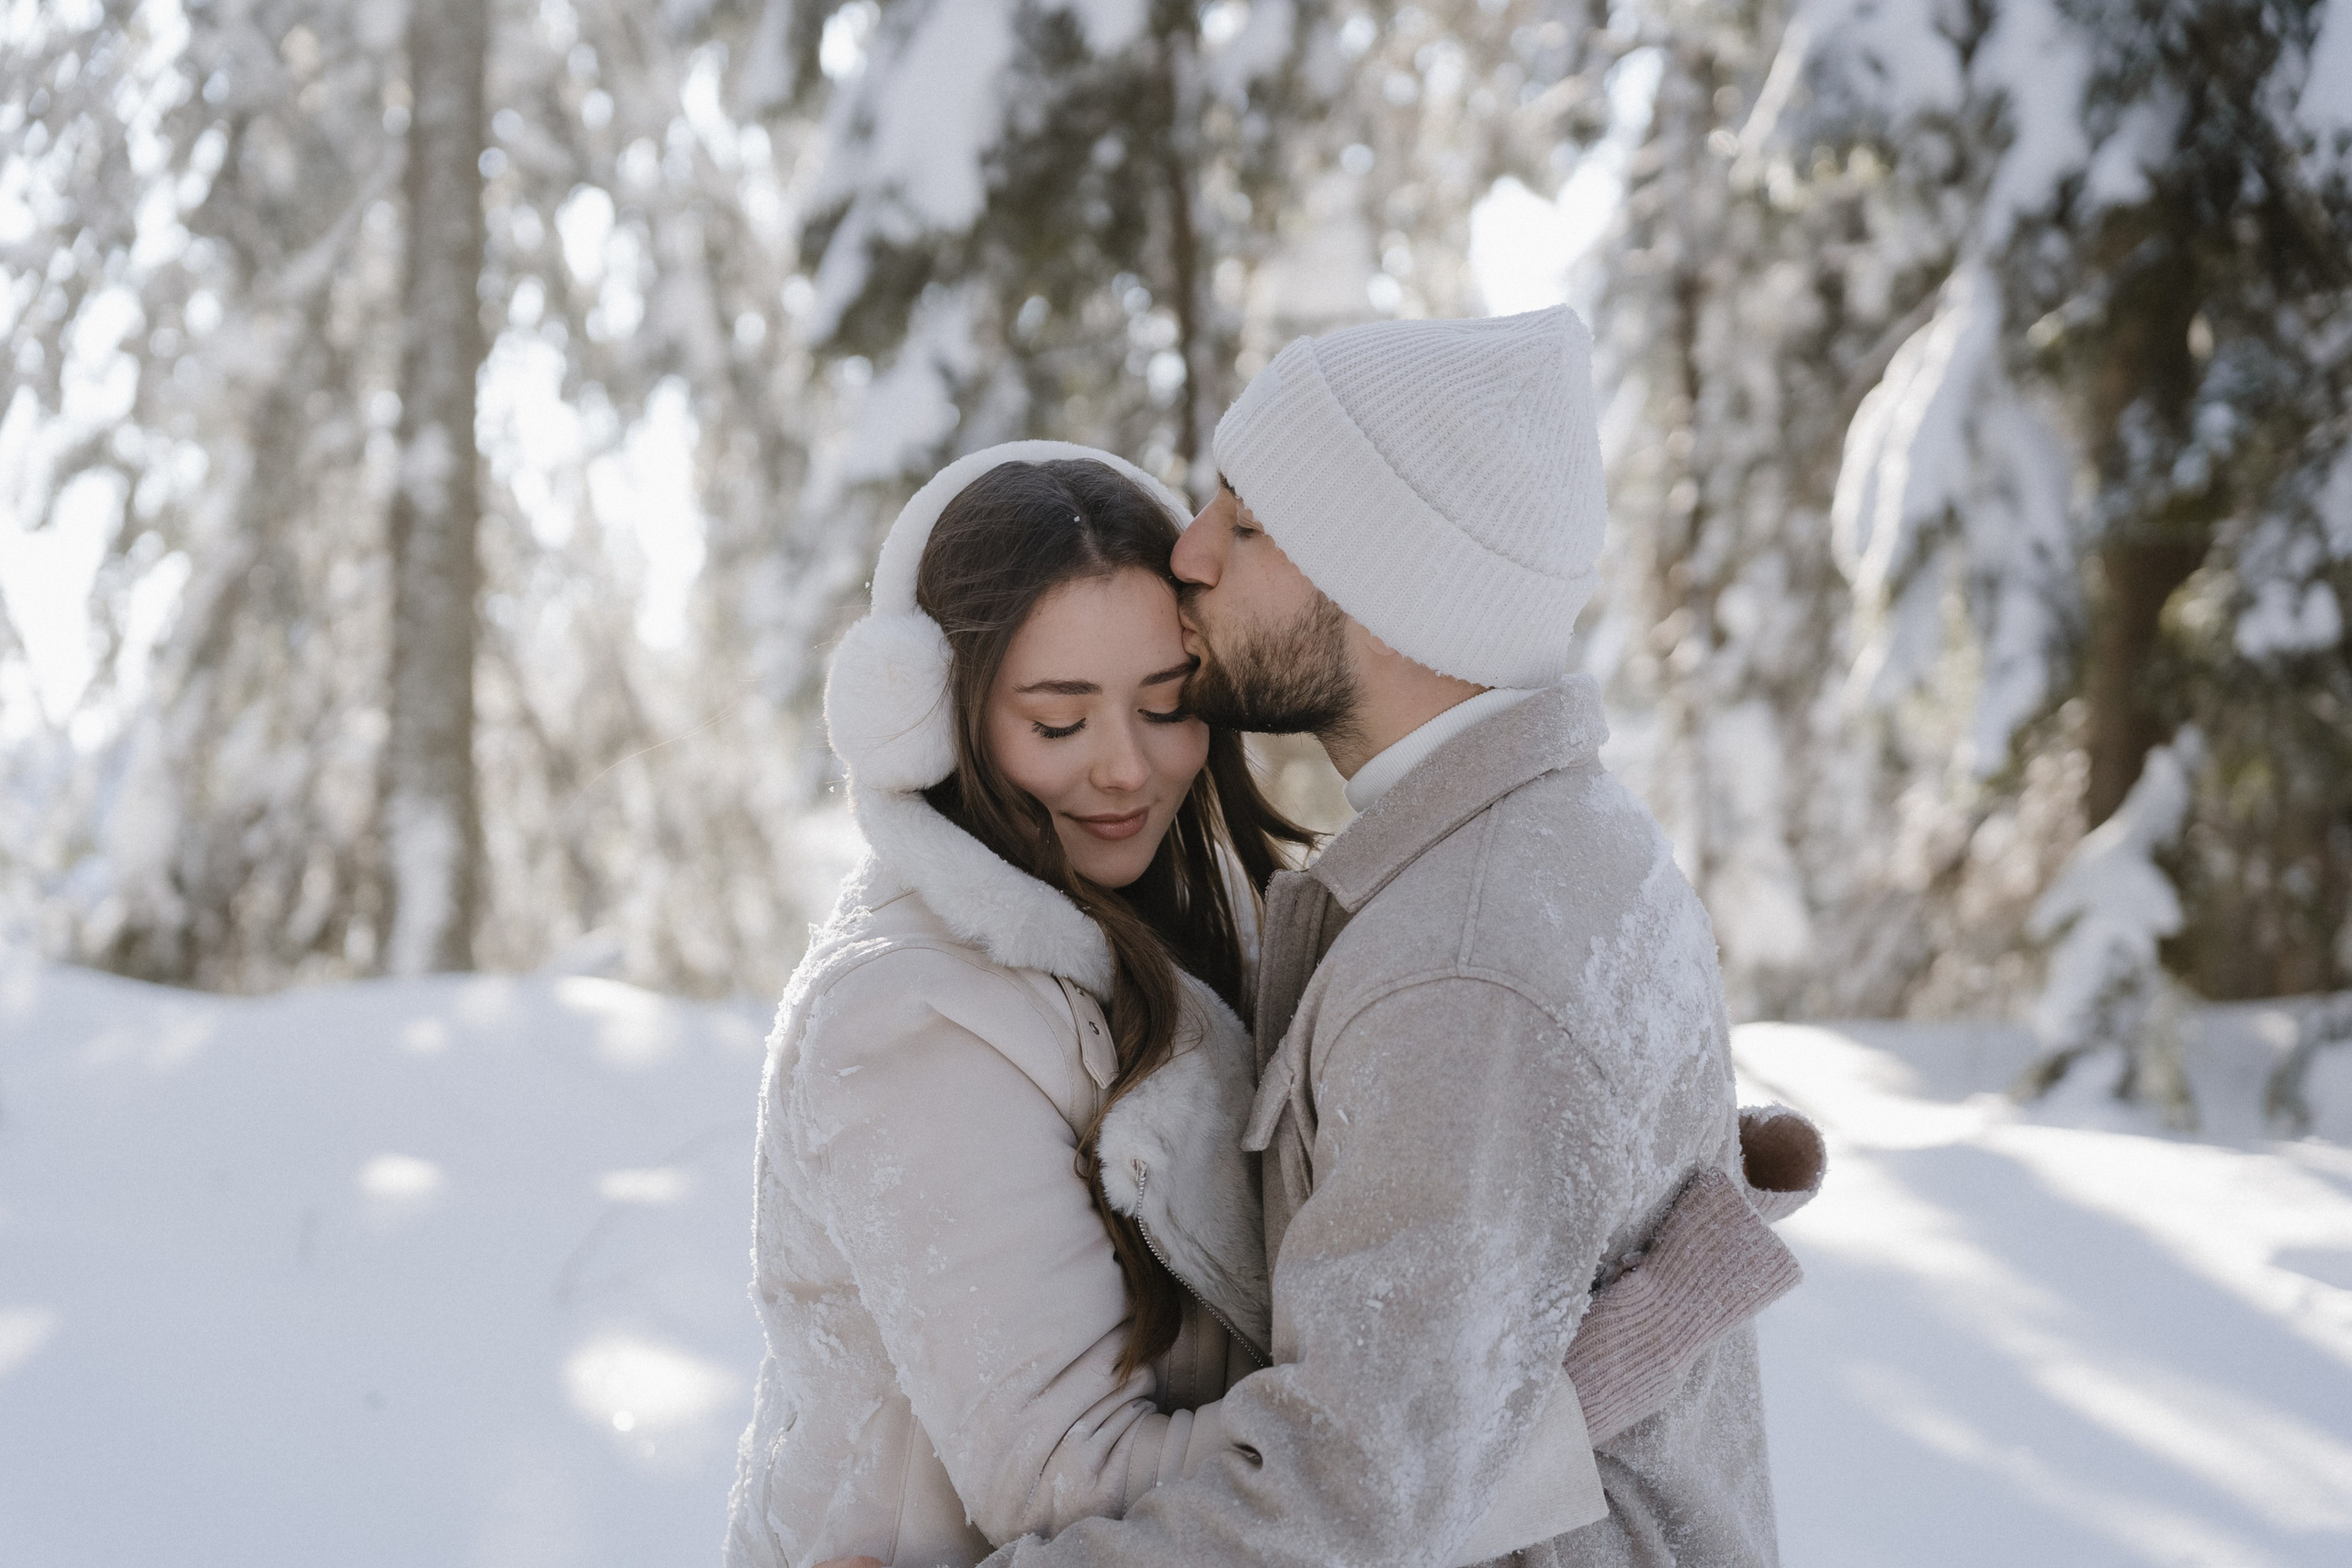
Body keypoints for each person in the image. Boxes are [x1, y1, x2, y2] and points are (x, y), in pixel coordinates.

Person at [735, 427, 1816, 1565]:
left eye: (1166, 703)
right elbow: (1070, 1489)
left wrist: (1534, 1183)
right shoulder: (916, 1023)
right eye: (1057, 721)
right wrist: (1549, 1390)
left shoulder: (1206, 925)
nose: (1125, 767)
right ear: (935, 716)